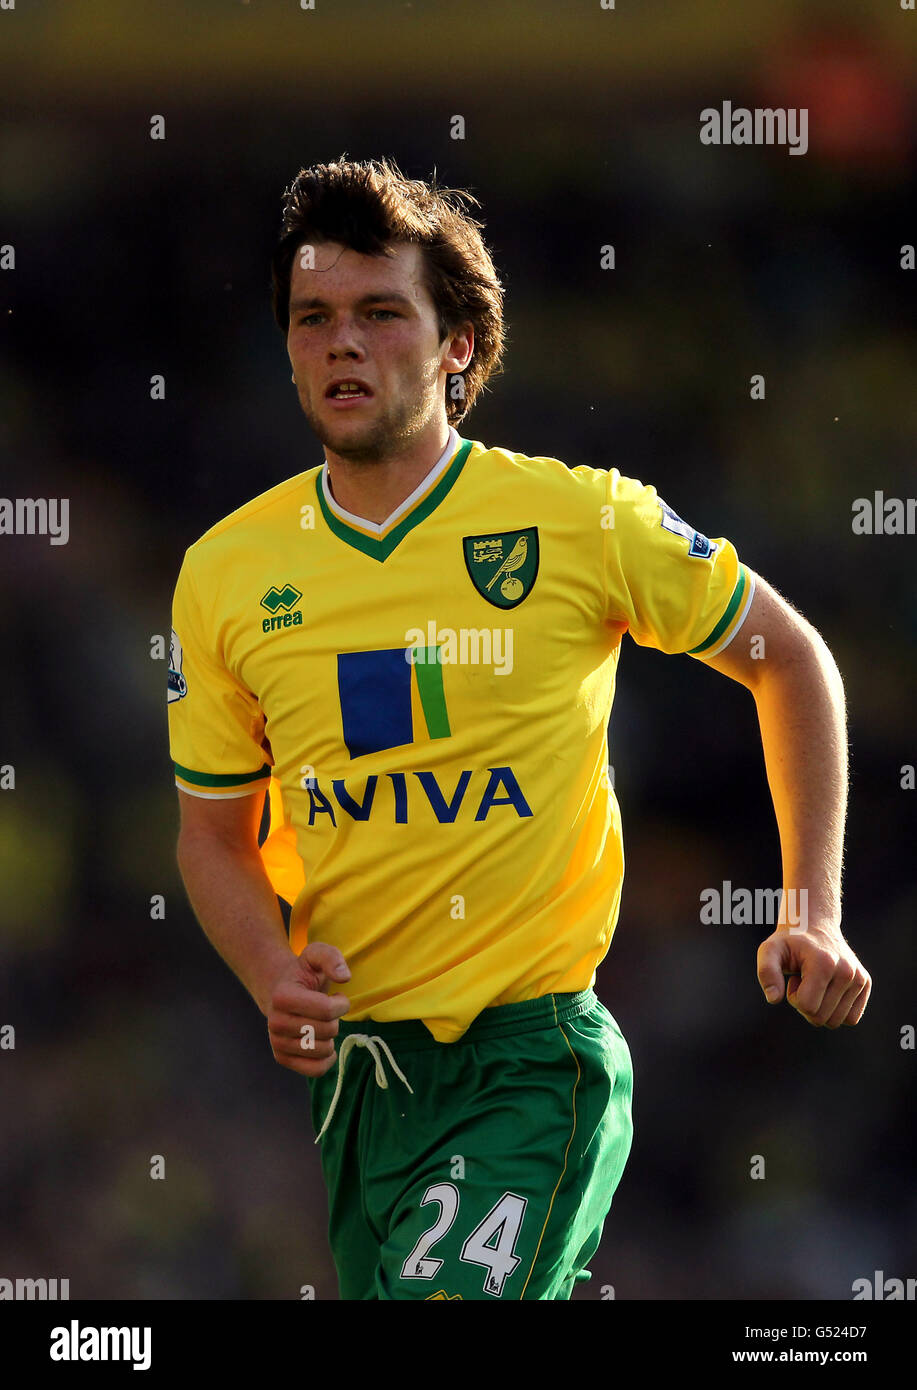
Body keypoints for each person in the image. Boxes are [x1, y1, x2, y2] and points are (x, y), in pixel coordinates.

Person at [167, 155, 871, 1301]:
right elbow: (211, 835)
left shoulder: (579, 520)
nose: (341, 343)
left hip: (531, 1058)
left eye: (380, 313)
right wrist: (271, 975)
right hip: (363, 1085)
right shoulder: (226, 574)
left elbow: (787, 659)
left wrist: (812, 910)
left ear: (456, 346)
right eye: (313, 318)